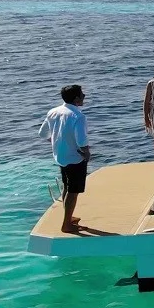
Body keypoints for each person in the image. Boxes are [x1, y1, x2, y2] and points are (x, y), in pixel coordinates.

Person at [39, 84, 90, 233]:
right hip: (75, 157)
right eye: (82, 95)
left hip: (60, 156)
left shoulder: (53, 112)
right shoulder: (78, 116)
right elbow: (81, 141)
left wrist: (56, 141)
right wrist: (86, 153)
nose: (84, 97)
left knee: (66, 186)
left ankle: (69, 217)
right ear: (76, 99)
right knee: (73, 191)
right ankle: (66, 224)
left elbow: (43, 134)